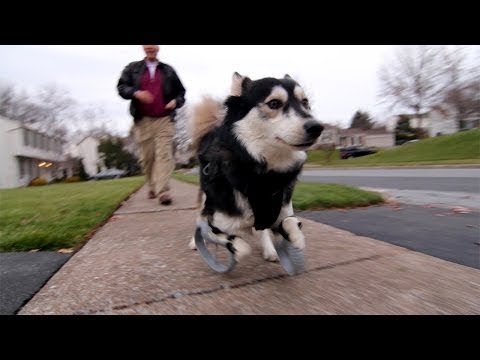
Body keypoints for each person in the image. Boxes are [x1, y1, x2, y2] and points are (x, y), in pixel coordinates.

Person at [117, 45, 186, 205]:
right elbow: (121, 87)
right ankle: (152, 185)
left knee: (164, 155)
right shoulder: (132, 68)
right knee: (147, 158)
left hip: (164, 119)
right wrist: (136, 93)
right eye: (147, 45)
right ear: (143, 47)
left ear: (158, 48)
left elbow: (181, 93)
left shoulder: (168, 70)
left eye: (153, 45)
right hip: (143, 120)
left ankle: (163, 191)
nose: (150, 48)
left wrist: (176, 101)